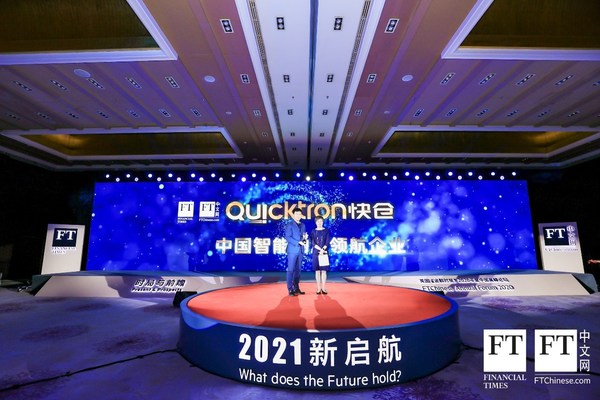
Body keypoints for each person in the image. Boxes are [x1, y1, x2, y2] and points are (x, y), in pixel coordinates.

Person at [285, 208, 308, 296]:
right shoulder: (289, 224)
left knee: (298, 270)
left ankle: (296, 287)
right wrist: (298, 242)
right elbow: (288, 237)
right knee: (291, 270)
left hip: (300, 250)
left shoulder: (303, 225)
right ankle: (290, 289)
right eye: (296, 214)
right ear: (293, 215)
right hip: (292, 250)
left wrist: (305, 239)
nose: (298, 216)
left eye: (299, 214)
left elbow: (302, 236)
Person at [310, 215, 331, 294]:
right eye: (318, 221)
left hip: (324, 252)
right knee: (317, 271)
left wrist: (323, 249)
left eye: (321, 221)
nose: (320, 223)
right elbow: (312, 242)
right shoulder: (313, 231)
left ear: (323, 222)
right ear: (316, 222)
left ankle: (324, 288)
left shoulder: (326, 231)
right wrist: (319, 249)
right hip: (316, 252)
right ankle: (318, 288)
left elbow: (327, 241)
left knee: (324, 271)